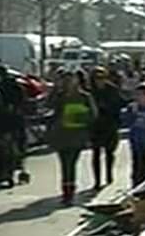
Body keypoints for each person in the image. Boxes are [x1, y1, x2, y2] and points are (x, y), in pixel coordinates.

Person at [46, 70, 97, 206]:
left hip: (77, 134)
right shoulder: (60, 96)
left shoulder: (85, 96)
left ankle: (70, 191)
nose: (68, 83)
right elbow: (48, 106)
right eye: (65, 80)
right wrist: (54, 89)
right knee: (65, 164)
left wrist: (79, 118)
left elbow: (93, 114)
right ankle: (66, 191)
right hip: (61, 135)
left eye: (71, 80)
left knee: (71, 163)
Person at [88, 67, 125, 190]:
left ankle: (109, 176)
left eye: (102, 78)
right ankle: (97, 180)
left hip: (110, 125)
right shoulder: (90, 91)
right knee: (96, 153)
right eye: (97, 78)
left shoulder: (112, 89)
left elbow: (120, 104)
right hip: (95, 126)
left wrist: (108, 108)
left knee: (110, 153)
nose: (100, 81)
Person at [0, 64, 28, 186]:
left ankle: (9, 175)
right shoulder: (15, 85)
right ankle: (19, 173)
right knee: (16, 150)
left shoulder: (0, 87)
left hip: (8, 123)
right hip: (16, 122)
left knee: (7, 151)